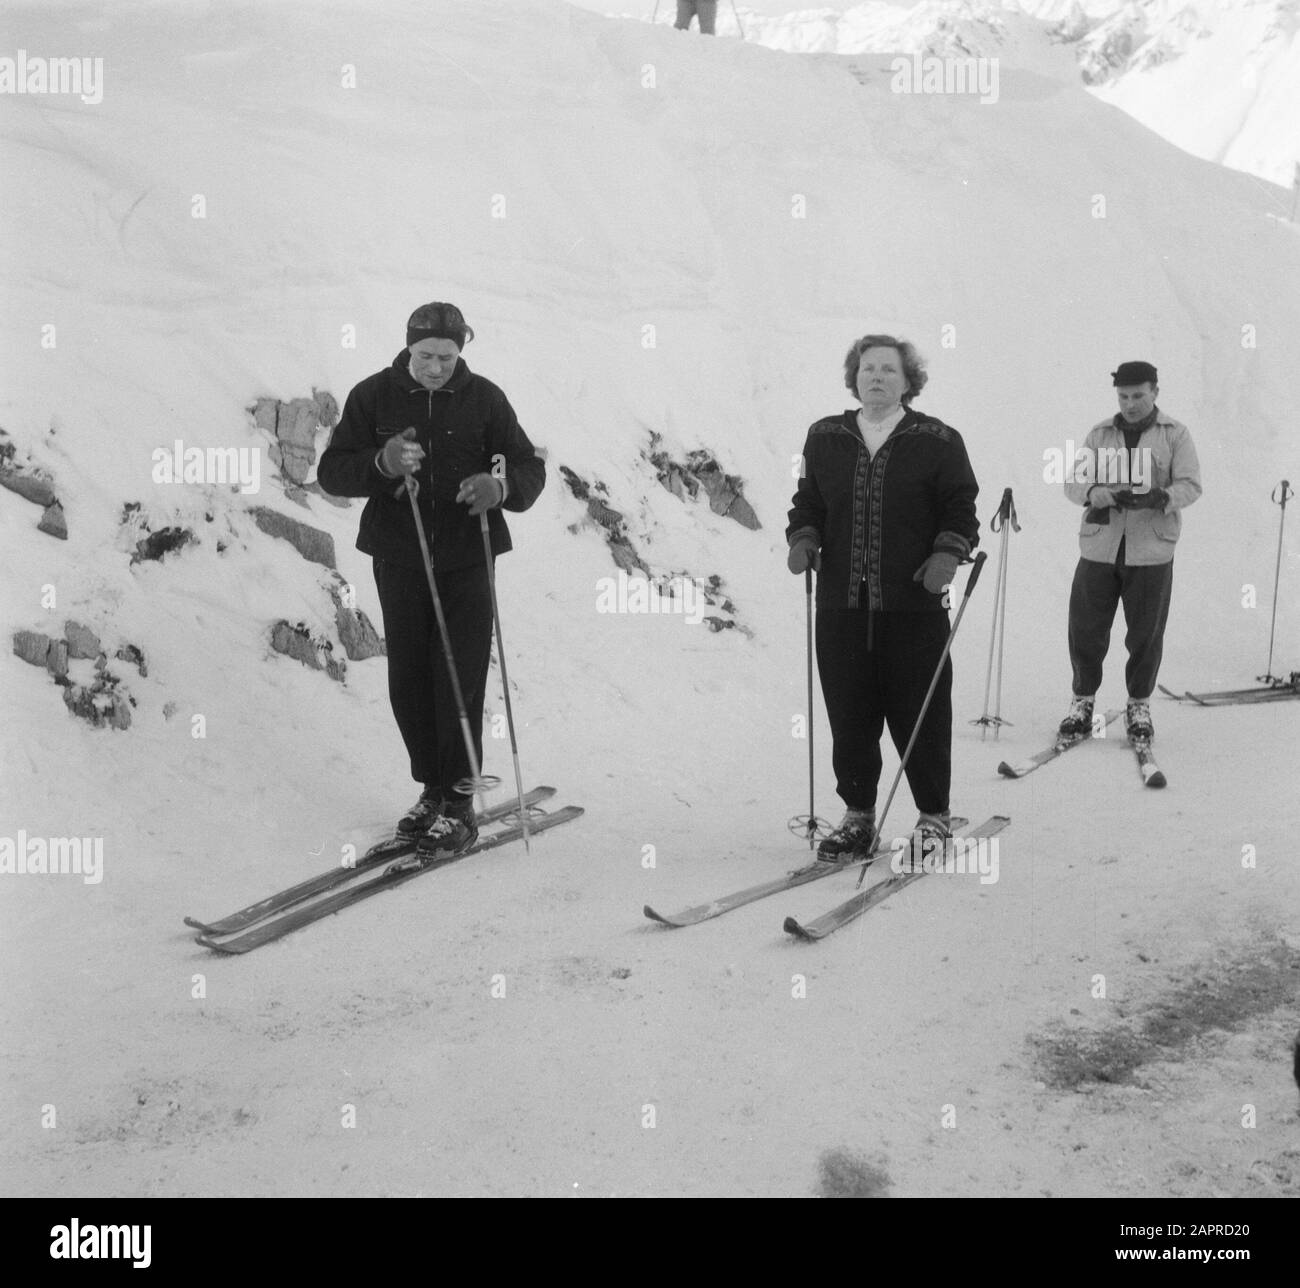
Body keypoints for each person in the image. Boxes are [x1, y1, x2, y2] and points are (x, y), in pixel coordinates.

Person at [317, 303, 546, 856]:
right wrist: (382, 462)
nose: (437, 367)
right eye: (426, 356)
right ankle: (431, 790)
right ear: (408, 348)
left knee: (460, 675)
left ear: (461, 350)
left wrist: (501, 490)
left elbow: (526, 466)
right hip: (399, 553)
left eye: (447, 356)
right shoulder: (374, 395)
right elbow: (332, 471)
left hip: (469, 553)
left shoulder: (485, 399)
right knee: (411, 677)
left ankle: (460, 802)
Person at [787, 335, 979, 861]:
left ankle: (932, 816)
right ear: (854, 377)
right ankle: (858, 817)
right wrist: (803, 537)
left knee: (920, 712)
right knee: (850, 714)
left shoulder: (938, 439)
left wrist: (947, 554)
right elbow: (807, 502)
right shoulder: (824, 436)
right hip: (841, 606)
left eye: (888, 370)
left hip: (913, 605)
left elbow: (961, 506)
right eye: (867, 369)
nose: (876, 377)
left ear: (908, 380)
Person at [1059, 360, 1201, 743]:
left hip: (1151, 551)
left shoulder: (1176, 434)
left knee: (1145, 635)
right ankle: (1082, 702)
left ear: (1155, 391)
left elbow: (1191, 484)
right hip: (1100, 548)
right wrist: (1094, 493)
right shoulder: (1100, 434)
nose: (1131, 403)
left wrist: (1164, 496)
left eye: (1138, 395)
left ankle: (1139, 706)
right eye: (1123, 396)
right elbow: (1073, 481)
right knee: (1086, 629)